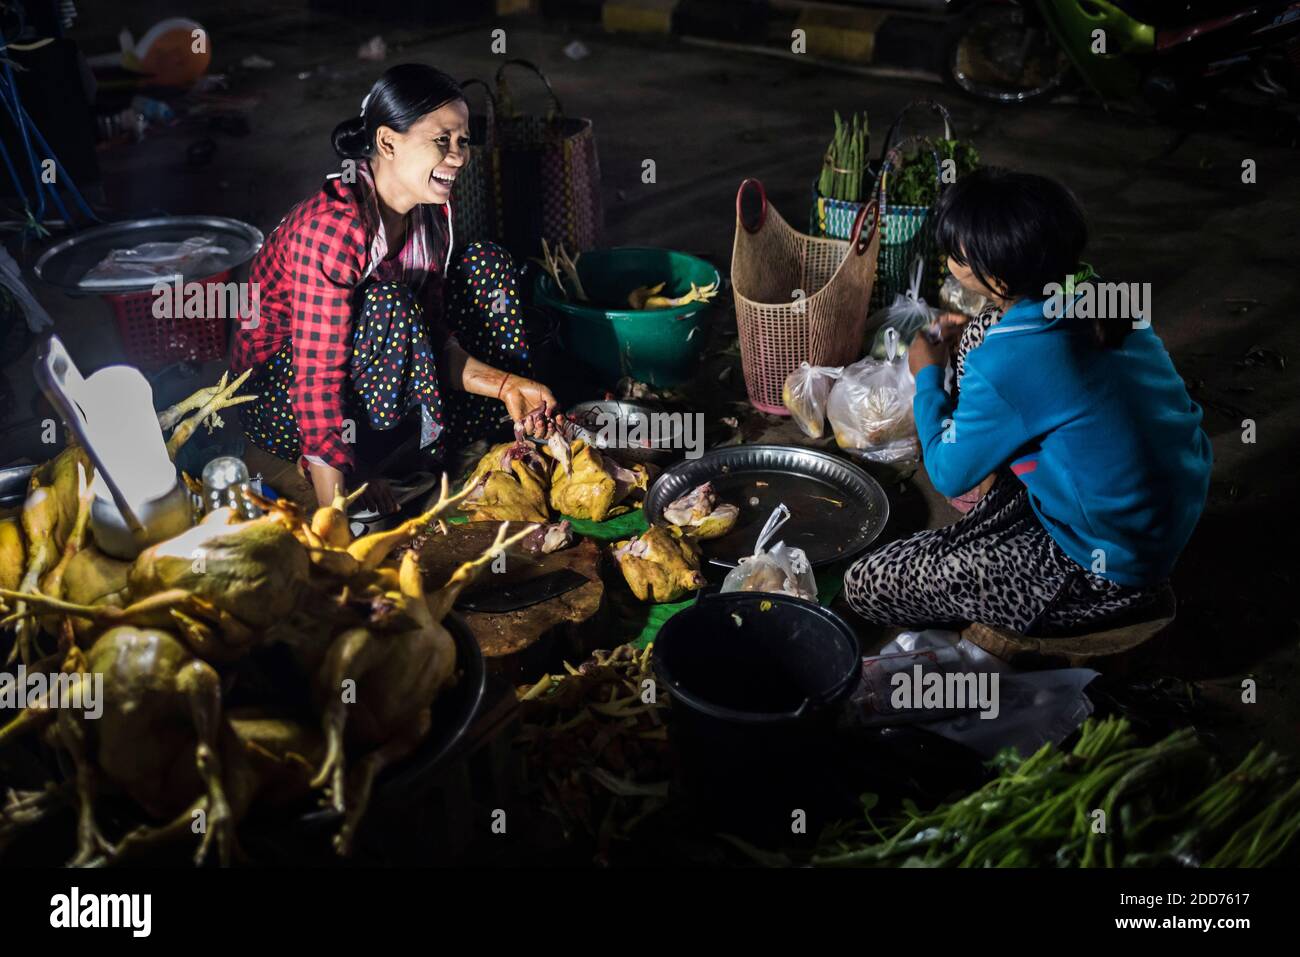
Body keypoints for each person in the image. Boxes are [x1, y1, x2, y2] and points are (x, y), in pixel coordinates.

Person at [843, 168, 1212, 635]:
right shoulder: (1099, 292)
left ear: (997, 277)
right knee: (978, 333)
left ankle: (1099, 600)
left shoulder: (1009, 361)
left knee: (868, 584)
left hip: (1107, 564)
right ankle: (1018, 493)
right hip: (1165, 506)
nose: (949, 262)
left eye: (957, 256)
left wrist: (927, 375)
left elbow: (947, 473)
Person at [231, 64, 558, 512]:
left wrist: (505, 385)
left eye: (463, 141)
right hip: (282, 402)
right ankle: (337, 459)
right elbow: (316, 379)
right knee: (390, 302)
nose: (459, 156)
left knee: (486, 264)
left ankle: (495, 438)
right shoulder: (334, 227)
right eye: (442, 140)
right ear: (387, 142)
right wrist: (335, 512)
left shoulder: (431, 212)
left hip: (369, 379)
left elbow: (435, 335)